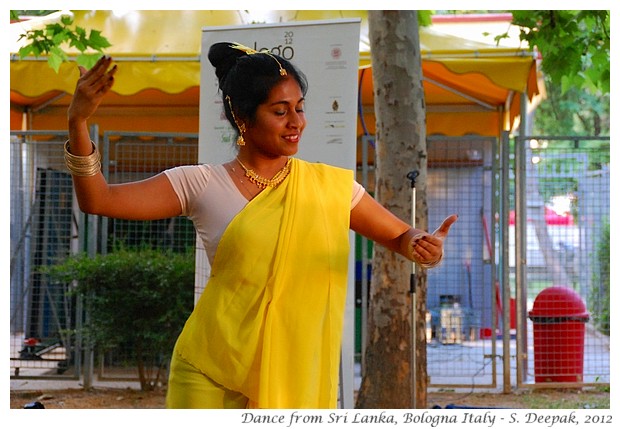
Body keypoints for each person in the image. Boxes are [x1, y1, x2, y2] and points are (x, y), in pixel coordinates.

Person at [66, 43, 458, 409]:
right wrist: (78, 121)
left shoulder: (330, 187)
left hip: (291, 379)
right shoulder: (200, 183)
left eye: (300, 108)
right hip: (208, 374)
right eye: (280, 110)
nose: (296, 123)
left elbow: (400, 236)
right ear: (242, 117)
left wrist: (422, 245)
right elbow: (98, 199)